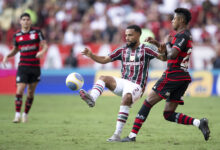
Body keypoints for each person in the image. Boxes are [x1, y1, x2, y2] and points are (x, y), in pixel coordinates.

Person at [121, 8, 210, 142]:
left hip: (173, 75)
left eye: (174, 18)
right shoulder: (184, 36)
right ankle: (199, 123)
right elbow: (170, 52)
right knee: (168, 114)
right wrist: (158, 43)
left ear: (181, 20)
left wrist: (167, 42)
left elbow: (172, 54)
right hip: (183, 77)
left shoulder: (182, 35)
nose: (172, 21)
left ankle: (132, 136)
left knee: (147, 102)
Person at [79, 25, 167, 142]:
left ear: (138, 35)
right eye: (126, 35)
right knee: (103, 78)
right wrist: (91, 55)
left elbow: (163, 58)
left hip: (137, 86)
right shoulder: (122, 50)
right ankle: (92, 98)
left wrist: (161, 50)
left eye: (130, 35)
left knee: (126, 98)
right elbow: (105, 59)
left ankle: (116, 135)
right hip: (124, 83)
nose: (127, 38)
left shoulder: (146, 49)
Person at [2, 13, 48, 123]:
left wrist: (41, 51)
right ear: (20, 22)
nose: (26, 21)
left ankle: (25, 114)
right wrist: (7, 55)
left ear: (30, 21)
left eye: (28, 19)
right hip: (23, 66)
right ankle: (17, 115)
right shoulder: (17, 35)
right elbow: (16, 49)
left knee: (31, 93)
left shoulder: (37, 32)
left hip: (35, 67)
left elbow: (45, 45)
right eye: (24, 19)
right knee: (20, 89)